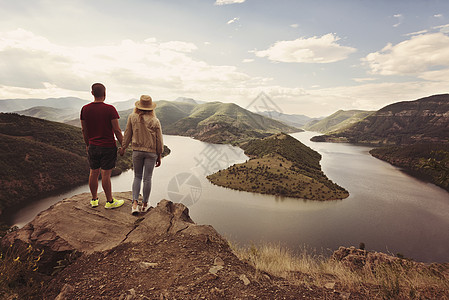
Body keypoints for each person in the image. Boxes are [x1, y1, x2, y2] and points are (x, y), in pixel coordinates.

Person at [80, 83, 125, 209]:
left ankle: (94, 200)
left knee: (93, 173)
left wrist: (88, 144)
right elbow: (117, 130)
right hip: (108, 146)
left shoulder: (85, 109)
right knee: (105, 174)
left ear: (92, 93)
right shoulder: (110, 109)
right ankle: (110, 202)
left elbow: (84, 130)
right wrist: (123, 145)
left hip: (93, 145)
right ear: (105, 93)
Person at [120, 95, 163, 215]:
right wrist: (159, 154)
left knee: (137, 177)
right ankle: (144, 204)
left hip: (137, 151)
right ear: (151, 108)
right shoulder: (155, 120)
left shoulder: (132, 117)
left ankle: (134, 204)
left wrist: (123, 147)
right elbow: (159, 140)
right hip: (151, 153)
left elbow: (127, 133)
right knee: (147, 178)